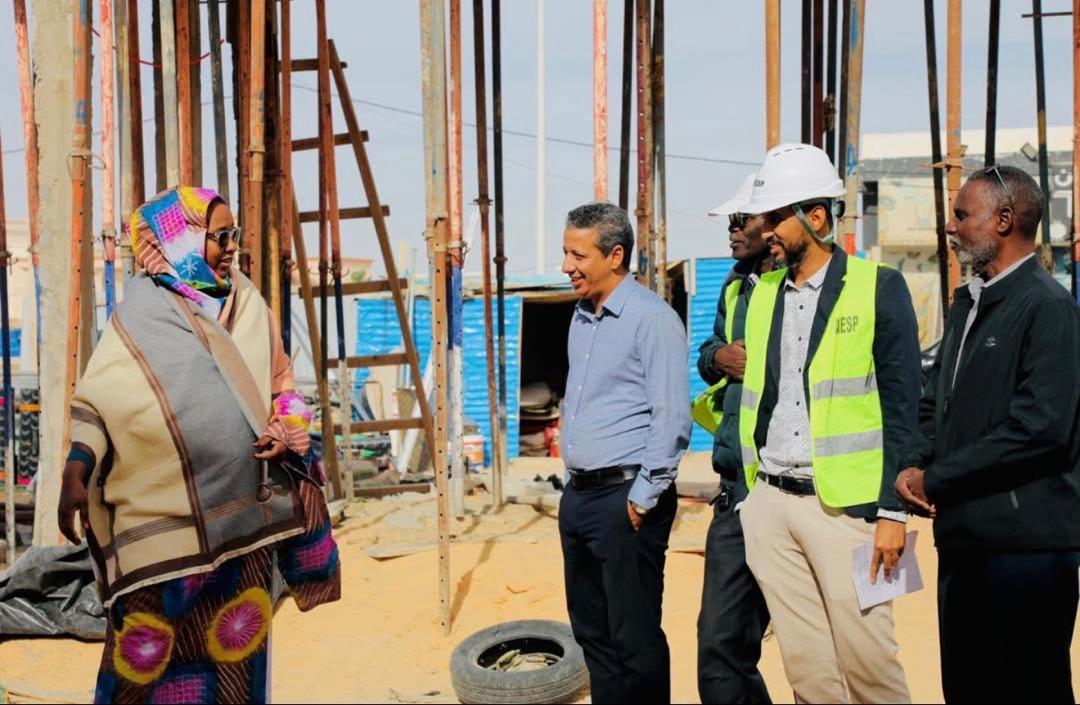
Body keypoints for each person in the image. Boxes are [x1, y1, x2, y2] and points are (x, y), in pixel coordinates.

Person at [56, 187, 341, 704]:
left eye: (234, 235)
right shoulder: (138, 320)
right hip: (163, 533)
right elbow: (100, 403)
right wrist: (77, 468)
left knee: (236, 656)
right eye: (220, 236)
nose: (232, 247)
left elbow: (285, 389)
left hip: (243, 528)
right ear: (178, 240)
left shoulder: (248, 304)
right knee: (140, 662)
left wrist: (285, 428)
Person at [737, 144, 918, 703]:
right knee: (808, 671)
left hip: (849, 513)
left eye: (775, 217)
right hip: (771, 505)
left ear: (816, 217)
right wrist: (752, 499)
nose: (763, 230)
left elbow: (904, 406)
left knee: (870, 665)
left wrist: (893, 512)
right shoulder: (762, 294)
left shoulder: (878, 286)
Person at [896, 165, 1080, 704]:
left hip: (1025, 552)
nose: (950, 227)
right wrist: (913, 464)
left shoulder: (1047, 308)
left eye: (961, 215)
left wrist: (937, 478)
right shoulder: (967, 305)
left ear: (1003, 220)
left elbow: (1039, 428)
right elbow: (935, 402)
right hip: (965, 543)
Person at [558, 202, 691, 704]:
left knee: (633, 636)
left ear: (615, 256)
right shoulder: (580, 318)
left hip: (627, 498)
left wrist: (643, 496)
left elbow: (671, 415)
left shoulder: (652, 319)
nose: (567, 266)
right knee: (592, 632)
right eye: (566, 253)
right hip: (580, 497)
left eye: (578, 255)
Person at [695, 173, 773, 704]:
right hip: (737, 493)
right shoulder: (735, 285)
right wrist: (718, 358)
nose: (732, 230)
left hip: (812, 496)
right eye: (730, 221)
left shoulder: (819, 289)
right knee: (720, 645)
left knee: (827, 653)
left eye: (743, 220)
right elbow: (710, 352)